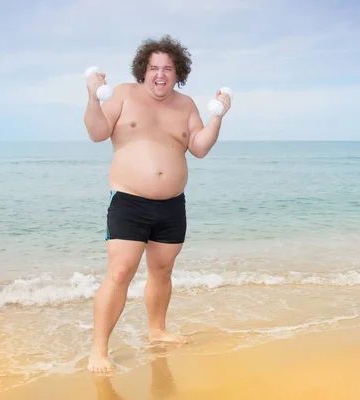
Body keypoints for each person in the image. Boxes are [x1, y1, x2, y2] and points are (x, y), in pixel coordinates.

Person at [83, 35, 231, 373]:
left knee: (162, 271)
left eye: (167, 68)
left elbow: (199, 147)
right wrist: (92, 96)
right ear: (143, 71)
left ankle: (157, 330)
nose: (160, 74)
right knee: (120, 272)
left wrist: (218, 116)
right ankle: (99, 349)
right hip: (128, 202)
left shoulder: (186, 105)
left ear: (177, 72)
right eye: (154, 68)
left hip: (171, 206)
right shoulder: (123, 94)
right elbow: (96, 131)